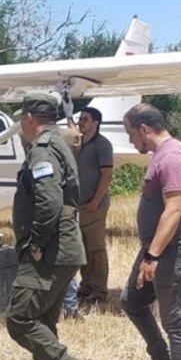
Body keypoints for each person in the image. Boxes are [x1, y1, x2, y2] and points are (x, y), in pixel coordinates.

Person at [6, 92, 96, 360]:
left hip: (51, 250)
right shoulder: (58, 142)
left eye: (21, 118)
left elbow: (48, 201)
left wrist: (37, 241)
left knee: (18, 319)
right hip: (65, 248)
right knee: (43, 320)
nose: (20, 124)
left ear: (29, 117)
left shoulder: (43, 148)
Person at [121, 103, 181, 360]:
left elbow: (175, 209)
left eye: (131, 133)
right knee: (132, 301)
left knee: (175, 322)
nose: (131, 141)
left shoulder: (171, 157)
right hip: (158, 248)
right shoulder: (166, 155)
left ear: (145, 129)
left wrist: (152, 257)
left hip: (171, 252)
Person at [75, 107, 113, 306]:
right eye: (80, 119)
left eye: (85, 119)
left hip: (94, 206)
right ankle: (86, 286)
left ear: (95, 123)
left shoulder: (102, 145)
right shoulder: (79, 144)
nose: (81, 122)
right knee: (82, 249)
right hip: (80, 206)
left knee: (96, 249)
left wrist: (95, 203)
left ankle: (99, 291)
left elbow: (107, 175)